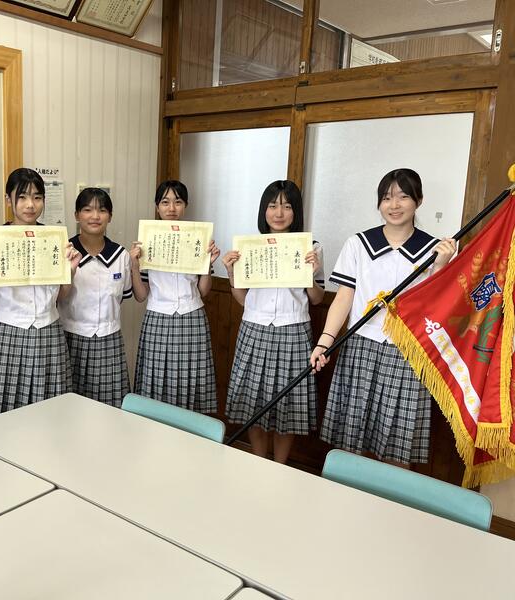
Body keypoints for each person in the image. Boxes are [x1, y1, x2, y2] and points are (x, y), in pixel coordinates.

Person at [311, 168, 456, 466]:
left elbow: (437, 306)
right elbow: (344, 297)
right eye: (387, 198)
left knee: (396, 446)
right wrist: (324, 342)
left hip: (408, 351)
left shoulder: (434, 250)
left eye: (403, 197)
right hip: (360, 346)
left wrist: (442, 266)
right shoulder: (358, 244)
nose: (394, 205)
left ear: (419, 201)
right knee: (350, 439)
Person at [222, 180, 324, 463]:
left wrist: (311, 274)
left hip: (294, 330)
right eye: (272, 206)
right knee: (254, 404)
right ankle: (257, 461)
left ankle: (280, 466)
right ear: (263, 210)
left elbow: (317, 299)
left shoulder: (311, 247)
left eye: (287, 206)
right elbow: (242, 300)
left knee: (287, 407)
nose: (279, 213)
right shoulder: (250, 247)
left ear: (296, 211)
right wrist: (231, 273)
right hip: (254, 327)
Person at [0, 168, 81, 413]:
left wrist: (70, 271)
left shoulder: (56, 240)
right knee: (7, 403)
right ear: (8, 199)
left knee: (52, 402)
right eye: (22, 197)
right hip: (8, 331)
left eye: (37, 197)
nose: (30, 205)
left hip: (49, 329)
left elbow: (60, 297)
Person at [129, 179, 220, 413]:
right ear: (157, 206)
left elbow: (202, 291)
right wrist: (134, 266)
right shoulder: (147, 241)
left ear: (185, 205)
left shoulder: (198, 239)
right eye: (165, 202)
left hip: (192, 316)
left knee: (190, 380)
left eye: (178, 202)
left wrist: (207, 264)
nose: (171, 208)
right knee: (157, 381)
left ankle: (189, 430)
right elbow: (141, 295)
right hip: (158, 317)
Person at [58, 188, 132, 406]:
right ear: (76, 215)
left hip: (110, 340)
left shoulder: (121, 255)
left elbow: (122, 297)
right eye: (87, 210)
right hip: (71, 338)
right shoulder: (64, 252)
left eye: (102, 210)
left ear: (110, 216)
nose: (95, 216)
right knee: (71, 406)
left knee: (110, 406)